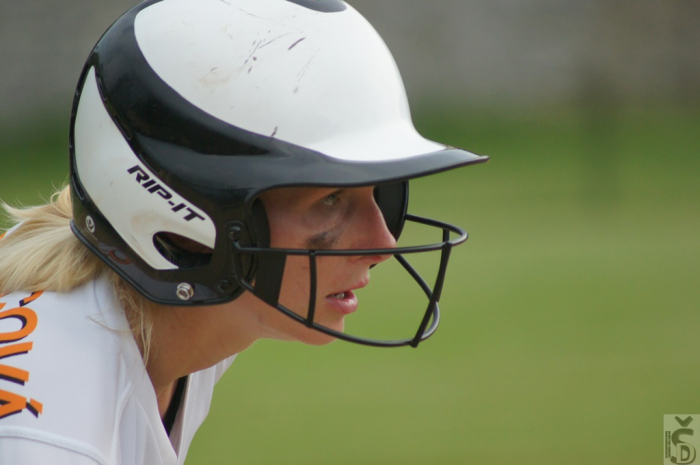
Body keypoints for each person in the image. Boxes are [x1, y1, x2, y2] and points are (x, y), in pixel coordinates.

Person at [0, 0, 488, 463]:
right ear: (185, 216)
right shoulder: (49, 439)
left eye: (380, 193)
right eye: (331, 200)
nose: (384, 244)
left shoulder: (178, 327)